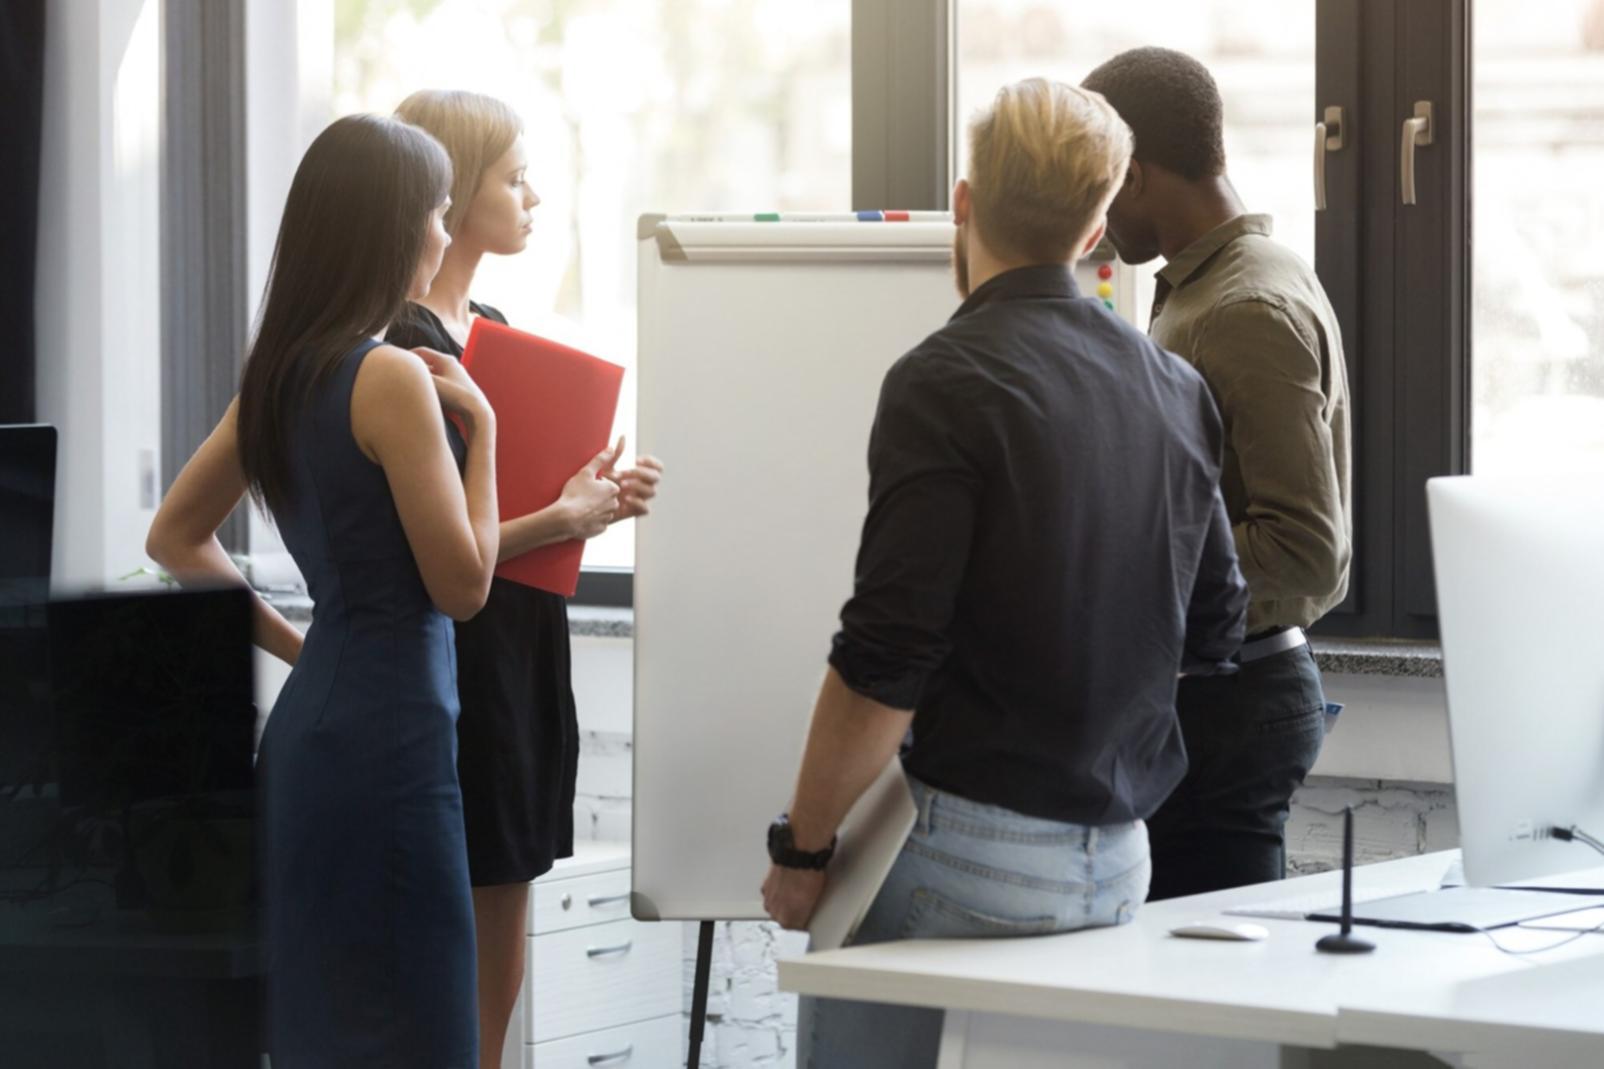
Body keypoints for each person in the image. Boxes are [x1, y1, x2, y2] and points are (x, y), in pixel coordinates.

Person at [761, 78, 1249, 1068]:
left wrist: (802, 849)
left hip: (962, 860)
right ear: (1093, 228)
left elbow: (882, 663)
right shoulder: (1173, 387)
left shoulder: (944, 379)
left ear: (964, 203)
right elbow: (1213, 629)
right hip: (1116, 865)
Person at [147, 114, 497, 1068]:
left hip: (319, 737)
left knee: (325, 1034)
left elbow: (172, 537)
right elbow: (463, 587)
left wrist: (311, 646)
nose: (443, 232)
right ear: (391, 228)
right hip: (390, 746)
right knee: (420, 1032)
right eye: (436, 211)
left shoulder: (279, 377)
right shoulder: (389, 376)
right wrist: (488, 434)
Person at [386, 89, 663, 1068]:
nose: (534, 197)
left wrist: (587, 496)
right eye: (514, 177)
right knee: (455, 926)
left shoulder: (490, 326)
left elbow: (496, 505)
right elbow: (429, 550)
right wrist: (561, 516)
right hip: (458, 648)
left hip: (517, 644)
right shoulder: (400, 350)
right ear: (451, 194)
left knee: (504, 904)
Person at [1083, 47, 1353, 901]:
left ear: (1135, 174)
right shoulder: (1209, 290)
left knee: (1212, 1001)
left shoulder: (1243, 308)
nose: (1092, 216)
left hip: (1228, 710)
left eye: (1098, 184)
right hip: (1210, 701)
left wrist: (1129, 564)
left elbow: (1307, 551)